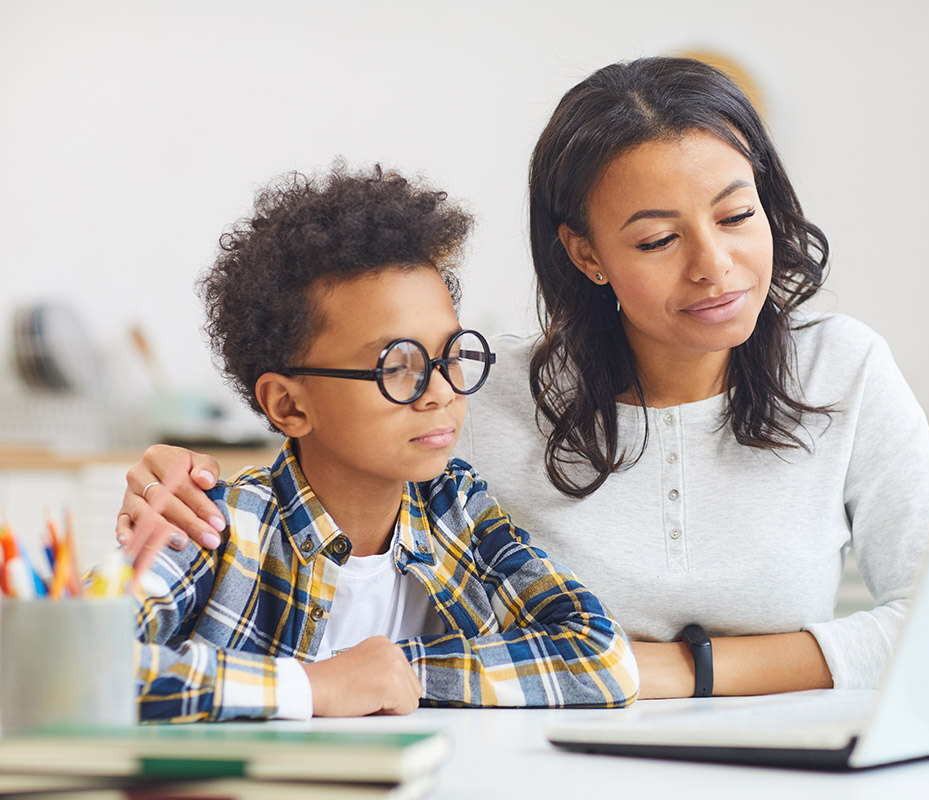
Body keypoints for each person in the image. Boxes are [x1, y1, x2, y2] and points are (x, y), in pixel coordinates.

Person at [119, 57, 929, 701]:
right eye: (659, 240)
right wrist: (180, 479)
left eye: (738, 216)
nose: (716, 266)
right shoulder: (482, 393)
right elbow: (339, 445)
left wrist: (675, 672)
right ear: (586, 254)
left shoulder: (847, 368)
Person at [131, 164, 638, 723]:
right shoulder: (216, 527)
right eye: (397, 366)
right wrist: (310, 687)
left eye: (450, 355)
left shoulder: (456, 511)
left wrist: (397, 669)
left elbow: (603, 659)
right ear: (289, 405)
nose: (441, 391)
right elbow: (65, 668)